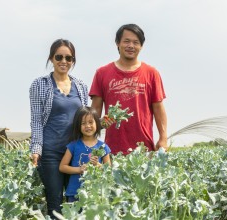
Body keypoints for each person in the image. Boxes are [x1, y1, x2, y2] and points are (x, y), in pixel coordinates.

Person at [29, 39, 88, 218]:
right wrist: (36, 149)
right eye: (59, 57)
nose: (64, 61)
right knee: (54, 204)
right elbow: (36, 121)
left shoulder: (81, 87)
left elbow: (86, 119)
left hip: (75, 153)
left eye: (68, 58)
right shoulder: (39, 85)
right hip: (51, 153)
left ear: (73, 61)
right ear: (51, 58)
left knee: (75, 202)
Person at [89, 23, 168, 155]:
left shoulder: (151, 73)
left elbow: (158, 108)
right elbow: (95, 109)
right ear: (117, 43)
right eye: (126, 41)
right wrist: (98, 124)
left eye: (136, 42)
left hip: (144, 148)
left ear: (141, 46)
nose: (131, 46)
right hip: (111, 150)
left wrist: (163, 138)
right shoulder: (102, 73)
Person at [59, 106, 111, 202]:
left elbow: (109, 171)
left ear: (97, 124)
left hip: (96, 194)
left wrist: (98, 165)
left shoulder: (103, 147)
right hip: (75, 193)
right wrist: (79, 169)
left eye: (91, 122)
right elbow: (62, 167)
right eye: (83, 123)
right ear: (78, 126)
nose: (87, 126)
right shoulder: (73, 146)